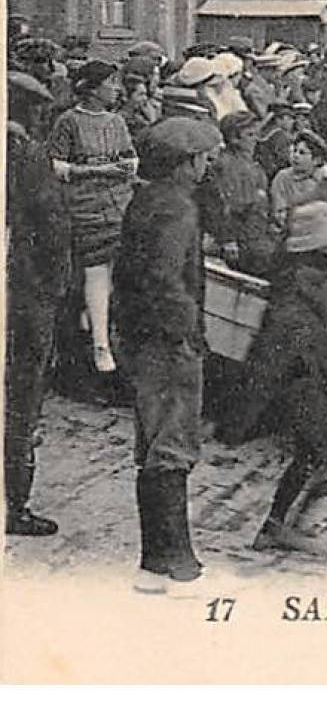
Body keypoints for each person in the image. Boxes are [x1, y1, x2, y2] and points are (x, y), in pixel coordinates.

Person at [111, 116, 223, 594]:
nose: (203, 166)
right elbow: (165, 278)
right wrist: (188, 334)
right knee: (172, 449)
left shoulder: (145, 199)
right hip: (167, 343)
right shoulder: (177, 208)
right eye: (200, 159)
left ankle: (154, 565)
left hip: (141, 337)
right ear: (183, 164)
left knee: (152, 447)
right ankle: (180, 566)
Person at [241, 201, 327, 555]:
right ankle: (281, 526)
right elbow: (292, 343)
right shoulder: (305, 286)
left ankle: (279, 524)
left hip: (302, 380)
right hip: (299, 382)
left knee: (312, 453)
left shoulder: (306, 277)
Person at [6, 73, 74, 536]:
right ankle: (14, 505)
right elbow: (53, 231)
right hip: (24, 295)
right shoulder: (29, 158)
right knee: (20, 400)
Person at [50, 59, 140, 375]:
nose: (115, 90)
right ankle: (100, 346)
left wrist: (125, 168)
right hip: (83, 206)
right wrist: (99, 170)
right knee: (95, 270)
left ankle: (102, 328)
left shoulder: (116, 122)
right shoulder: (69, 121)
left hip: (118, 203)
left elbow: (130, 159)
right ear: (92, 88)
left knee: (117, 271)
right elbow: (58, 168)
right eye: (110, 84)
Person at [198, 111, 277, 276]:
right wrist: (228, 240)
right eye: (249, 135)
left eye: (255, 134)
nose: (255, 139)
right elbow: (223, 208)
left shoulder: (253, 166)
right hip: (241, 240)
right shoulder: (226, 166)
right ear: (234, 138)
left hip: (257, 234)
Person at [268, 130, 327, 229]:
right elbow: (279, 212)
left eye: (302, 153)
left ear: (316, 160)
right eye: (294, 151)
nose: (296, 156)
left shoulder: (324, 179)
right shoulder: (282, 178)